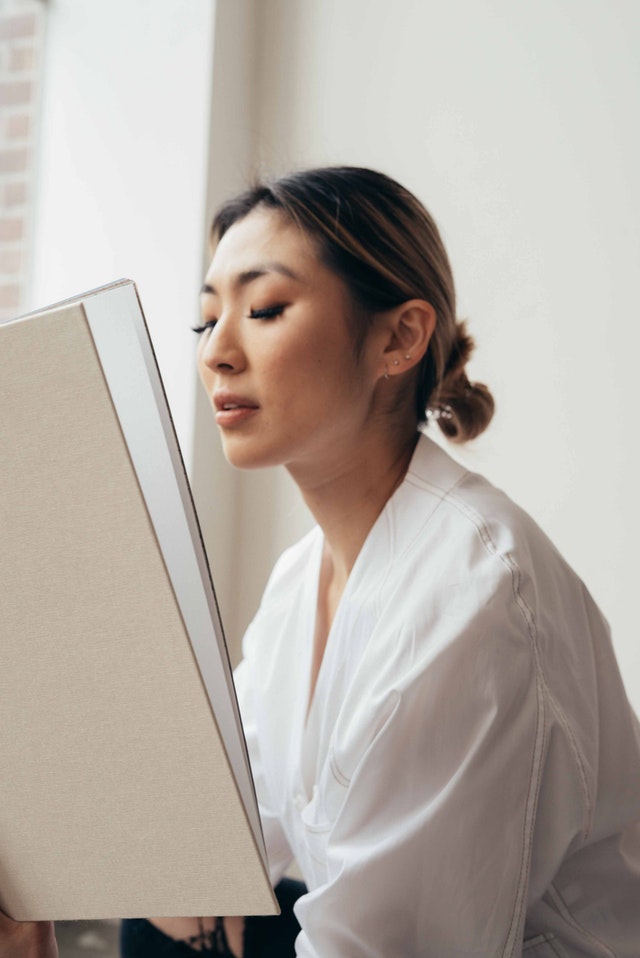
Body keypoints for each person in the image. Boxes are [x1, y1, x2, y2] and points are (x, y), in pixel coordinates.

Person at [7, 166, 640, 956]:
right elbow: (221, 836)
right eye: (206, 322)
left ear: (399, 337)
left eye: (265, 308)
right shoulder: (299, 583)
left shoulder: (472, 594)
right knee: (161, 907)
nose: (218, 355)